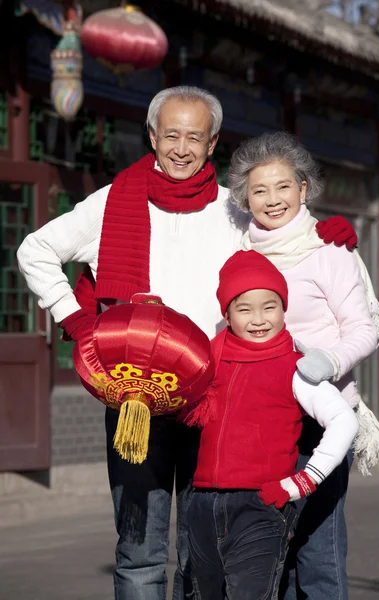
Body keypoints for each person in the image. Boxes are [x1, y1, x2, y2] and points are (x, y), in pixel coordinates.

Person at [16, 87, 355, 600]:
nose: (181, 148)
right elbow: (35, 250)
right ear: (152, 136)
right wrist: (80, 324)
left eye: (194, 137)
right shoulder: (111, 202)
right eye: (170, 134)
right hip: (136, 398)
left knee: (207, 554)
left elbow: (280, 245)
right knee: (139, 555)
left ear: (212, 142)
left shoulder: (233, 212)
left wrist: (320, 238)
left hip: (214, 400)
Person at [227, 131, 379, 600]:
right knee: (268, 555)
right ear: (244, 199)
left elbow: (366, 329)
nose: (273, 200)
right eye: (259, 190)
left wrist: (329, 359)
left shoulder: (330, 251)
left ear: (304, 189)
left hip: (319, 421)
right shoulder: (241, 254)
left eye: (283, 187)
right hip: (259, 421)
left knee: (318, 555)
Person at [186, 249, 359, 600]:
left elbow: (343, 421)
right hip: (203, 503)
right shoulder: (207, 360)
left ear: (283, 309)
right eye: (244, 308)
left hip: (261, 506)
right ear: (228, 314)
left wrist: (301, 482)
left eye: (270, 306)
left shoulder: (296, 367)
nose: (258, 318)